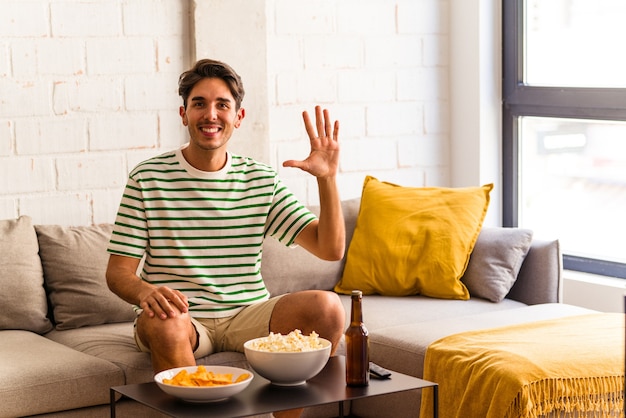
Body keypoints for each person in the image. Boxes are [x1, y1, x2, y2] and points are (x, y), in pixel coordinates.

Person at [105, 58, 346, 418]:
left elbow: (330, 249)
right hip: (180, 317)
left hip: (248, 312)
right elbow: (118, 273)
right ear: (183, 113)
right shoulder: (148, 177)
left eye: (222, 105)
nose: (210, 114)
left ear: (239, 116)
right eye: (199, 103)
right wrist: (146, 292)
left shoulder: (261, 180)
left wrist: (326, 179)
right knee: (165, 320)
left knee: (327, 307)